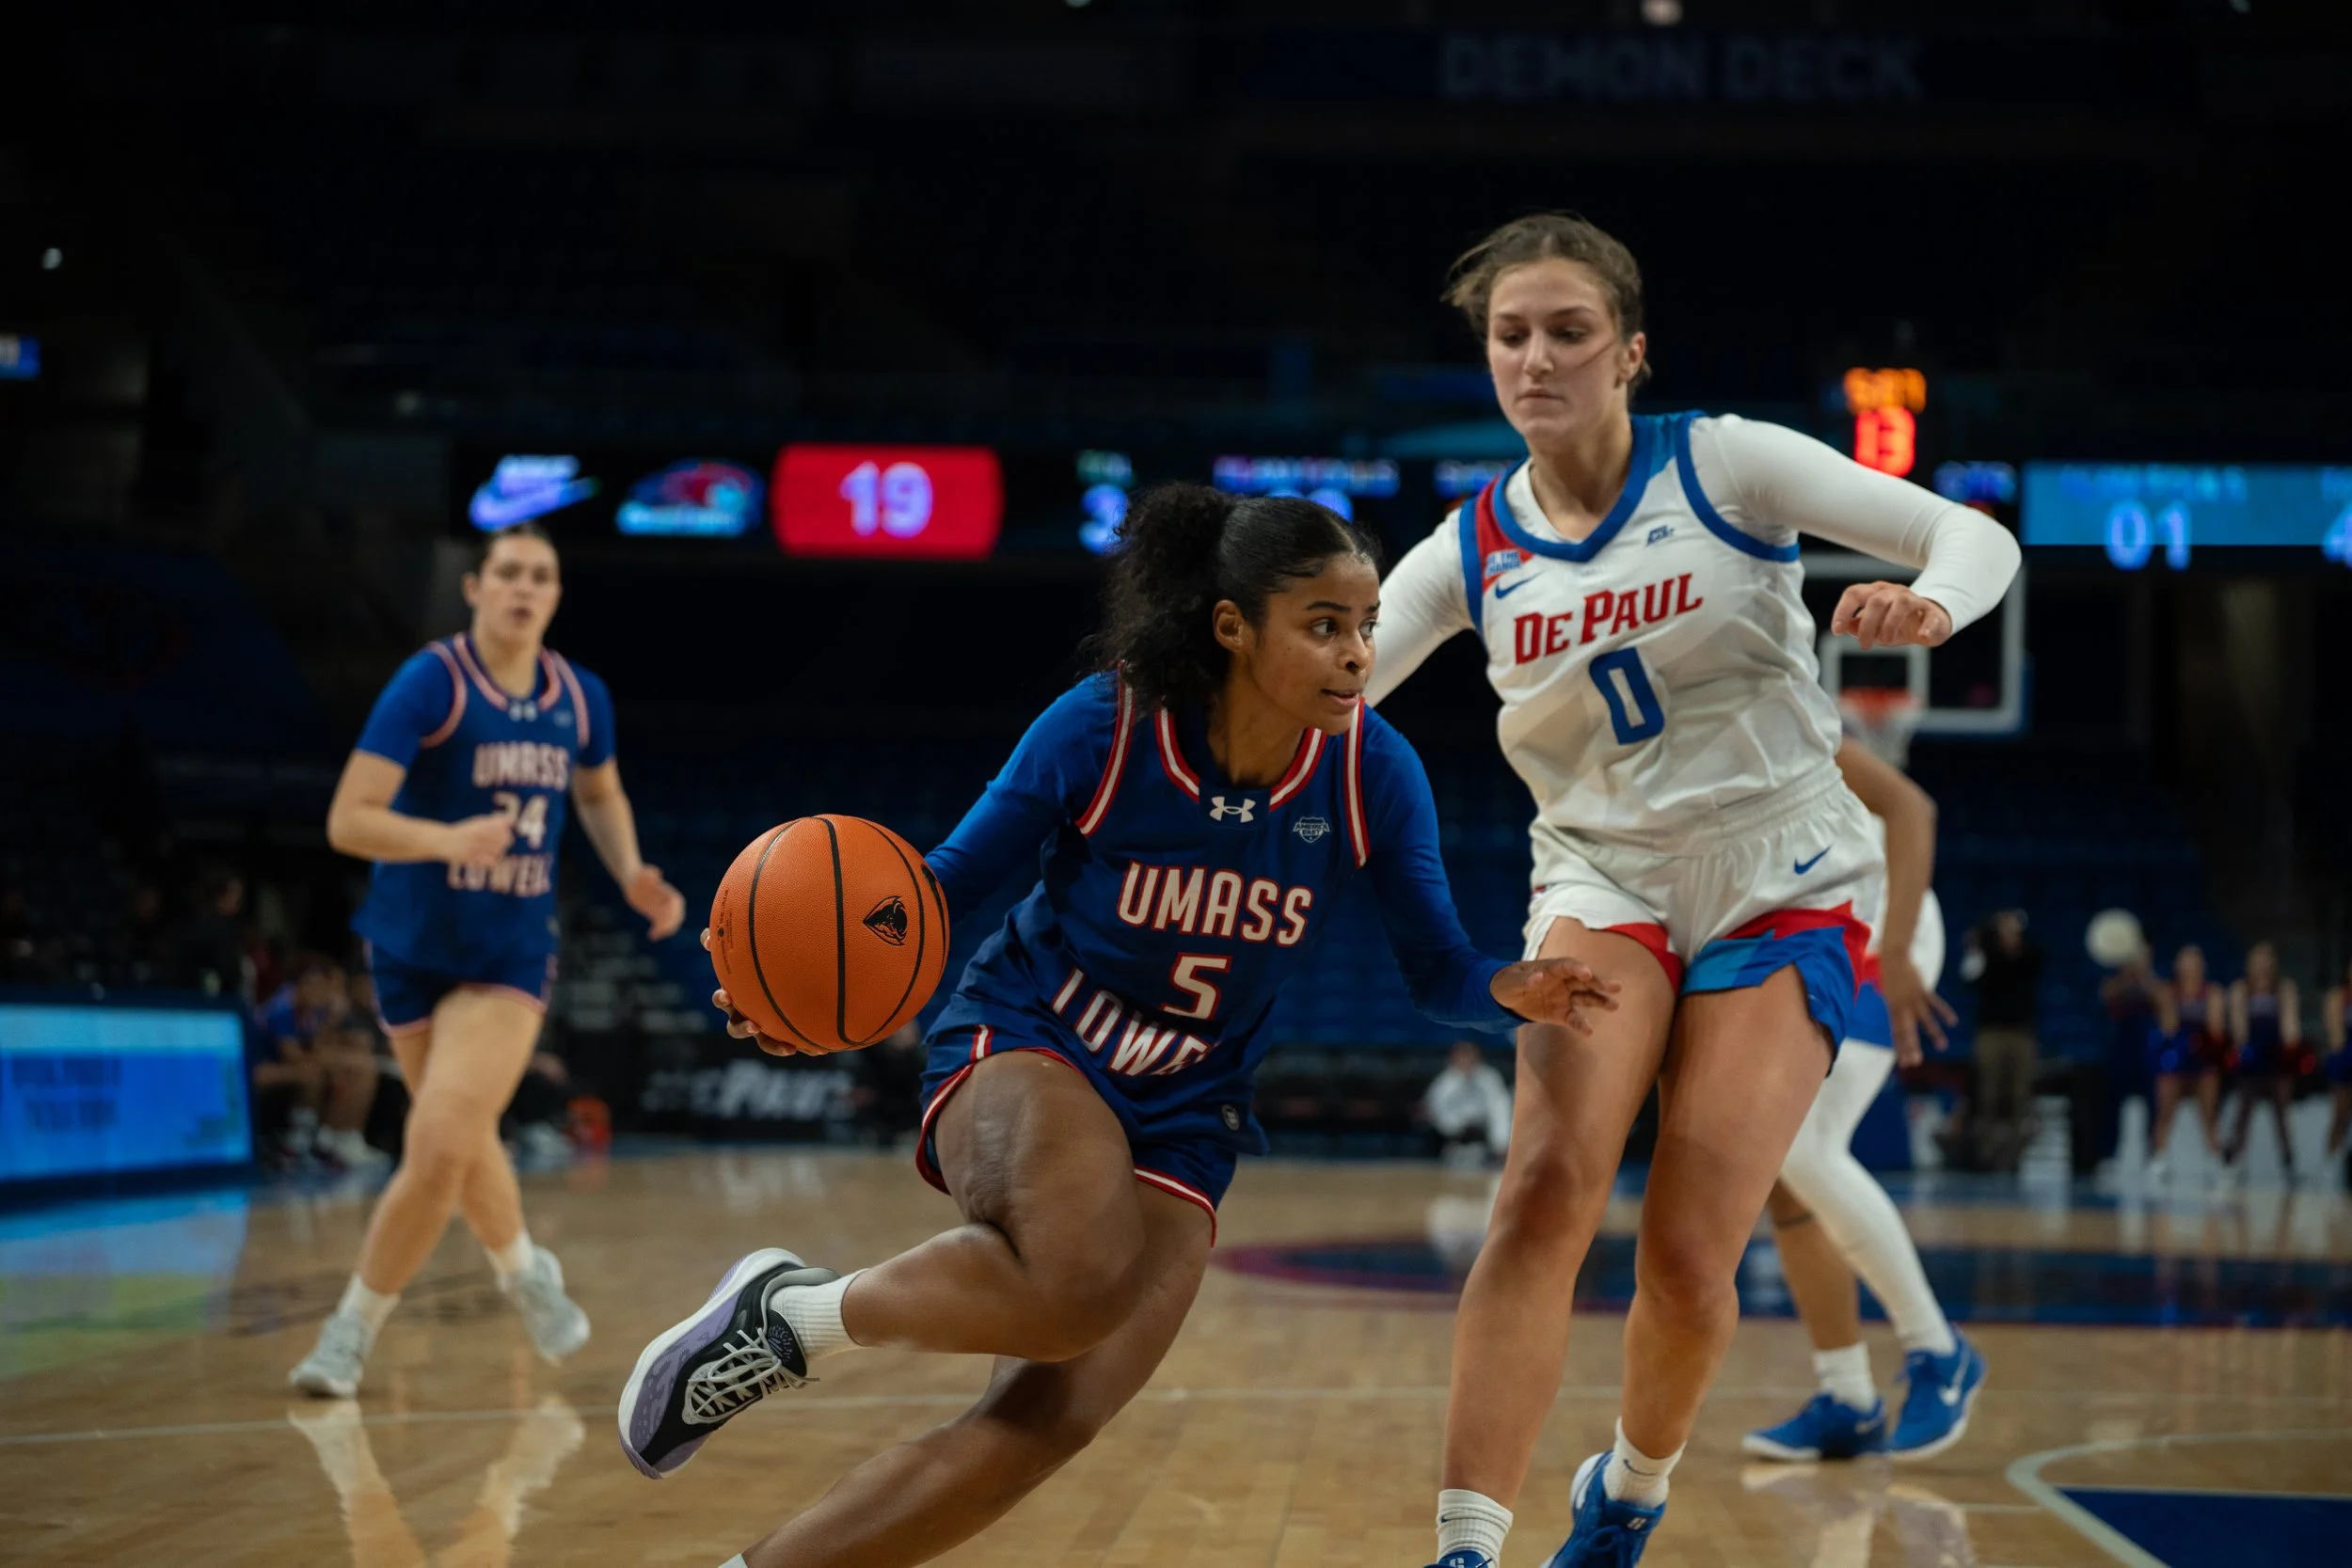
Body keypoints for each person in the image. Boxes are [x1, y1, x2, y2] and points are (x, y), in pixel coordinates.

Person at [614, 486, 1617, 1568]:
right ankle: (794, 1317)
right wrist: (801, 990)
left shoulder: (1375, 770)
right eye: (1323, 625)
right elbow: (941, 891)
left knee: (1042, 1425)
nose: (1356, 654)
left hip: (1189, 1111)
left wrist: (1509, 986)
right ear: (1233, 624)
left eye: (1366, 626)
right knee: (1077, 1281)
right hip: (1034, 1039)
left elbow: (1436, 971)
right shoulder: (1108, 722)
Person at [1362, 212, 2020, 1567]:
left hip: (1785, 864)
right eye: (1509, 336)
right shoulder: (1468, 545)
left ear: (1630, 350)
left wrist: (1935, 606)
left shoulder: (1725, 461)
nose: (1536, 358)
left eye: (1568, 330)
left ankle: (1632, 1491)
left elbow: (1967, 532)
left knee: (1691, 1241)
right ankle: (1466, 1544)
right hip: (1603, 870)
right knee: (1543, 1180)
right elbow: (1331, 694)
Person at [289, 521, 685, 1397]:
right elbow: (348, 818)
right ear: (473, 588)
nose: (523, 587)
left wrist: (631, 872)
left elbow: (599, 789)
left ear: (554, 594)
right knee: (462, 1139)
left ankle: (349, 1331)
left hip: (507, 953)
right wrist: (447, 836)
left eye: (541, 575)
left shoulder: (581, 698)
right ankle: (523, 1269)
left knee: (435, 1143)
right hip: (408, 947)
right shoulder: (433, 682)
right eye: (507, 572)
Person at [1744, 738, 1984, 1466]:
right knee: (1785, 1181)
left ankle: (1939, 1351)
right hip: (1801, 937)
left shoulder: (1772, 704)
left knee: (1803, 1146)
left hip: (1882, 929)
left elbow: (1913, 806)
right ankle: (1847, 1397)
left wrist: (1905, 948)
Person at [258, 953, 386, 1170]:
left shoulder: (310, 1009)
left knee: (358, 1065)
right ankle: (308, 1143)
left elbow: (316, 1045)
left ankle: (344, 1138)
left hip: (287, 1064)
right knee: (318, 1072)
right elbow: (295, 1055)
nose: (321, 992)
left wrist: (334, 1025)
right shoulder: (282, 1007)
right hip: (262, 1068)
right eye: (315, 985)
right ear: (300, 985)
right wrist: (339, 1055)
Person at [1958, 911, 2042, 1172]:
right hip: (1990, 1032)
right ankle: (1987, 1155)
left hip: (2021, 1033)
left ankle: (2014, 1158)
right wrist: (1976, 947)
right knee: (1988, 1093)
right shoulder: (1987, 955)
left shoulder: (2029, 955)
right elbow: (1969, 977)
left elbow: (2038, 963)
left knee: (2020, 1095)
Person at [2149, 943, 2229, 1185]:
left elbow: (2215, 1028)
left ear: (2202, 967)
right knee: (2165, 1110)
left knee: (2209, 1114)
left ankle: (2215, 1159)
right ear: (2177, 967)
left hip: (2202, 1057)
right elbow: (2169, 1026)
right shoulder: (2169, 992)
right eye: (2185, 963)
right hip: (2175, 1057)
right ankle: (2159, 1158)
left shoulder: (2212, 993)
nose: (2190, 968)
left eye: (2195, 963)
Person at [2223, 941, 2301, 1179]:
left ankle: (2288, 1164)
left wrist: (2290, 1045)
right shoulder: (2240, 989)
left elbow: (2290, 1026)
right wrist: (2245, 1050)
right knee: (2244, 1110)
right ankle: (2234, 1162)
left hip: (2276, 1056)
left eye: (2266, 960)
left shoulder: (2284, 988)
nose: (2261, 965)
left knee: (2281, 1112)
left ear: (2273, 964)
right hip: (2252, 1056)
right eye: (2257, 960)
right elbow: (2239, 1029)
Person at [1422, 1039, 1514, 1164]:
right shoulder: (1444, 1083)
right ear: (1454, 1058)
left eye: (1470, 1056)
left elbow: (1500, 1111)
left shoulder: (1489, 1078)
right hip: (1454, 1144)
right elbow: (1438, 1112)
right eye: (1462, 1056)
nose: (1467, 1060)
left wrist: (1501, 1143)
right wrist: (1459, 1127)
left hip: (1484, 1145)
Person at [2325, 958, 2352, 1182]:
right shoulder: (2338, 998)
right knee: (2340, 1114)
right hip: (2345, 1061)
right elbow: (2336, 1039)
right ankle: (2330, 1163)